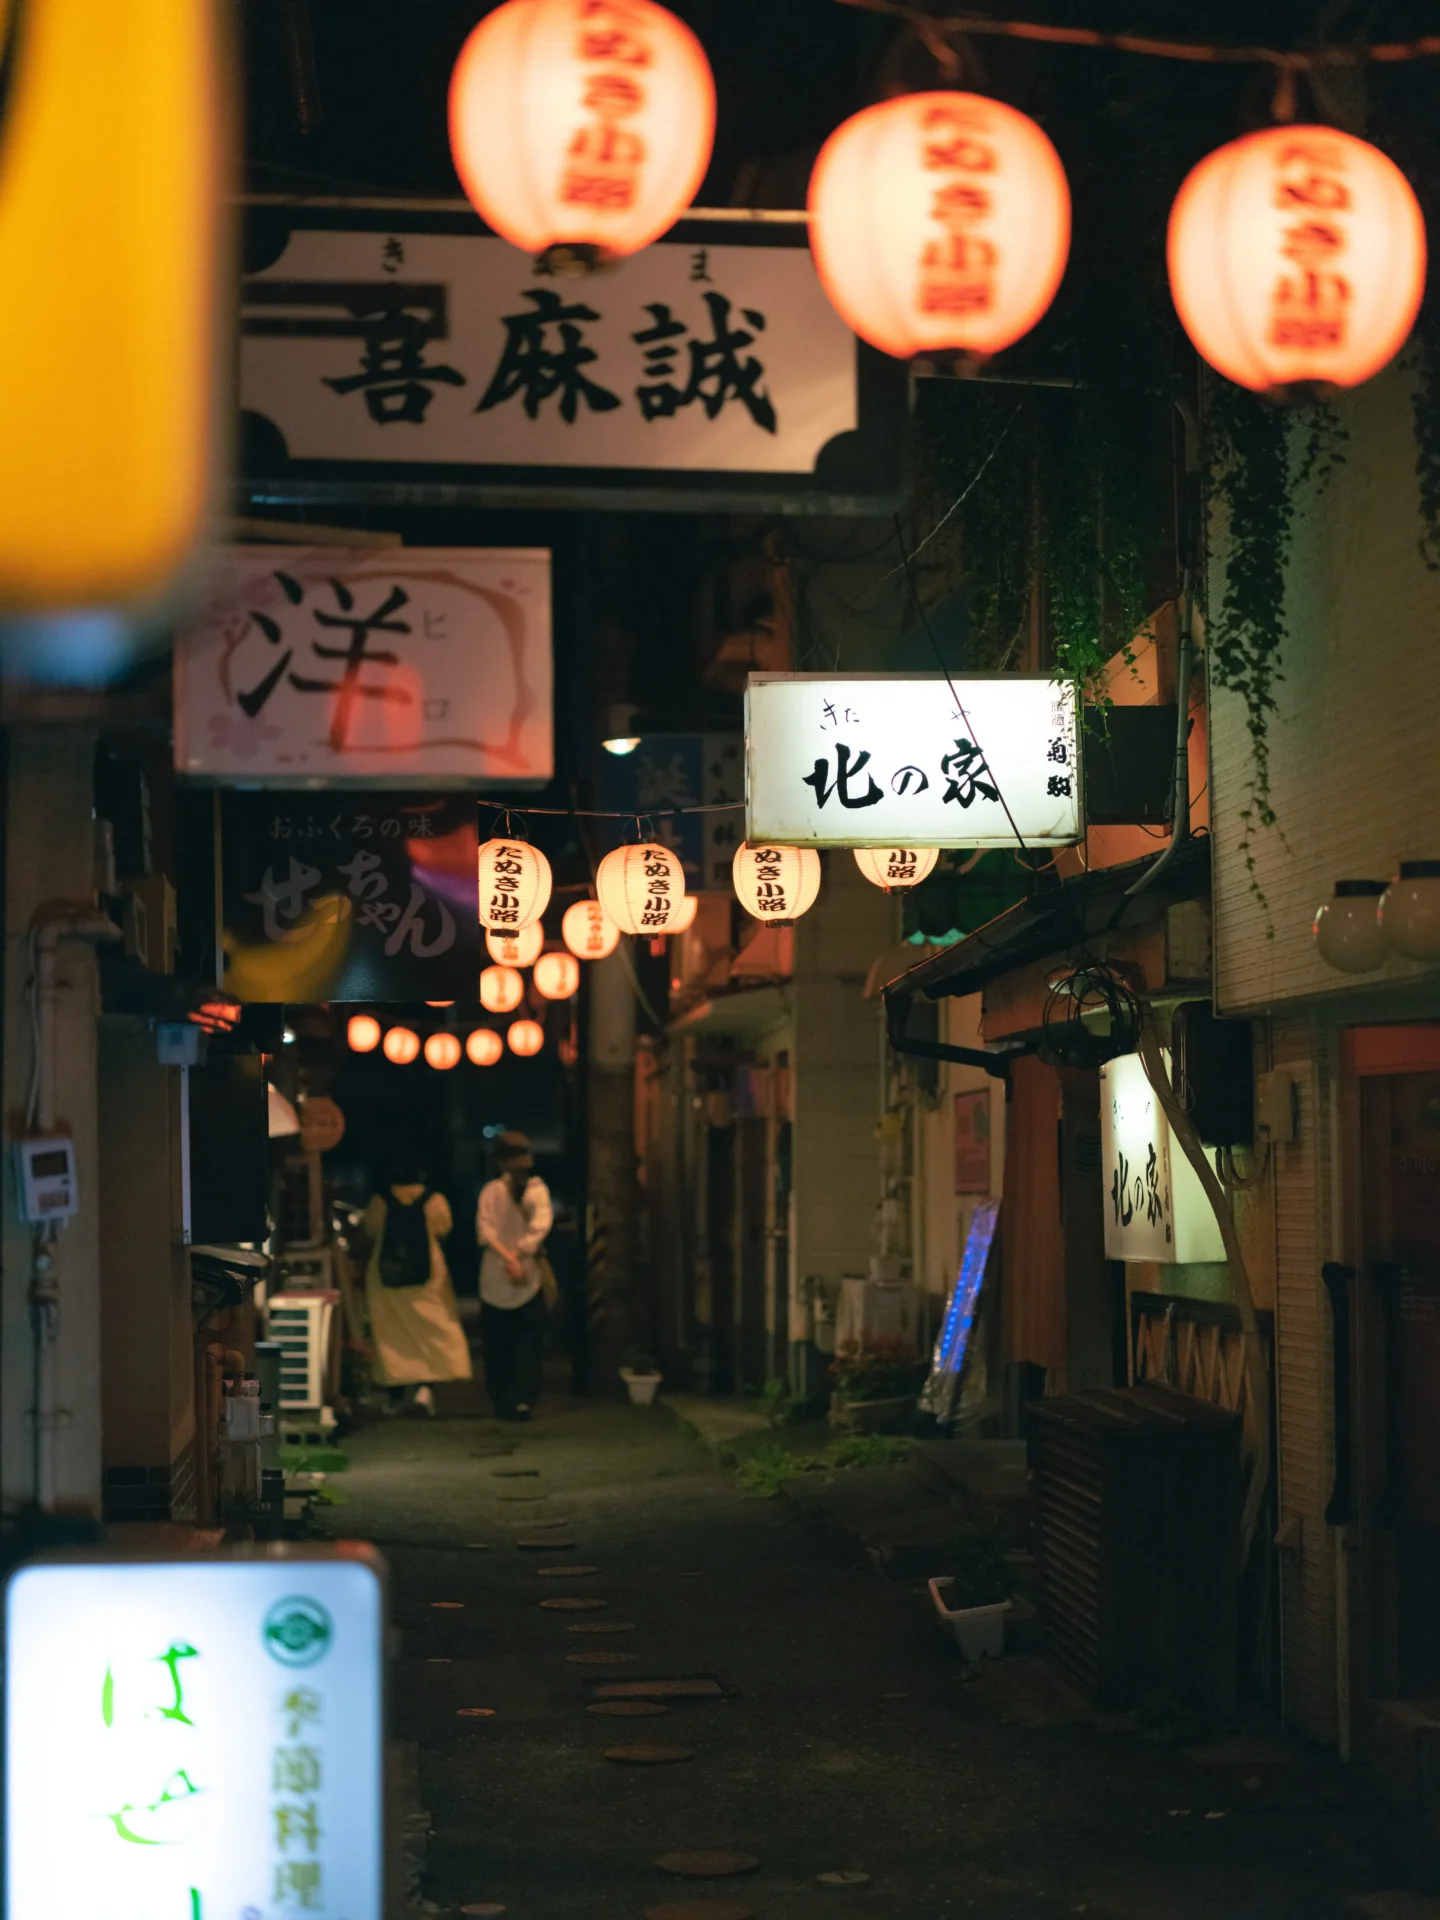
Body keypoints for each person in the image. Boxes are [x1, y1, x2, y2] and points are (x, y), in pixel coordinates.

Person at [360, 1148, 472, 1415]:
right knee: (431, 1331)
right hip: (429, 1274)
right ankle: (425, 1390)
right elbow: (444, 1228)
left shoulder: (380, 1201)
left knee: (391, 1336)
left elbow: (370, 1229)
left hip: (386, 1276)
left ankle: (395, 1398)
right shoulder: (434, 1200)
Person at [476, 1131, 553, 1421]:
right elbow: (540, 1229)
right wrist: (520, 1258)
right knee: (527, 1343)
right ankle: (523, 1400)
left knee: (497, 1344)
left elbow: (486, 1233)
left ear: (500, 1163)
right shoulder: (538, 1191)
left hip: (494, 1276)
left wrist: (507, 1258)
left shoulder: (490, 1191)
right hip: (527, 1278)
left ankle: (500, 1399)